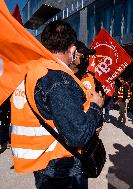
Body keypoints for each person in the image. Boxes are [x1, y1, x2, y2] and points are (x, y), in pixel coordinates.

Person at [10, 20, 104, 189]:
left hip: (44, 162)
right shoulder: (58, 79)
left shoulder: (34, 70)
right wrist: (96, 107)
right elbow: (78, 134)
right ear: (72, 49)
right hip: (62, 168)